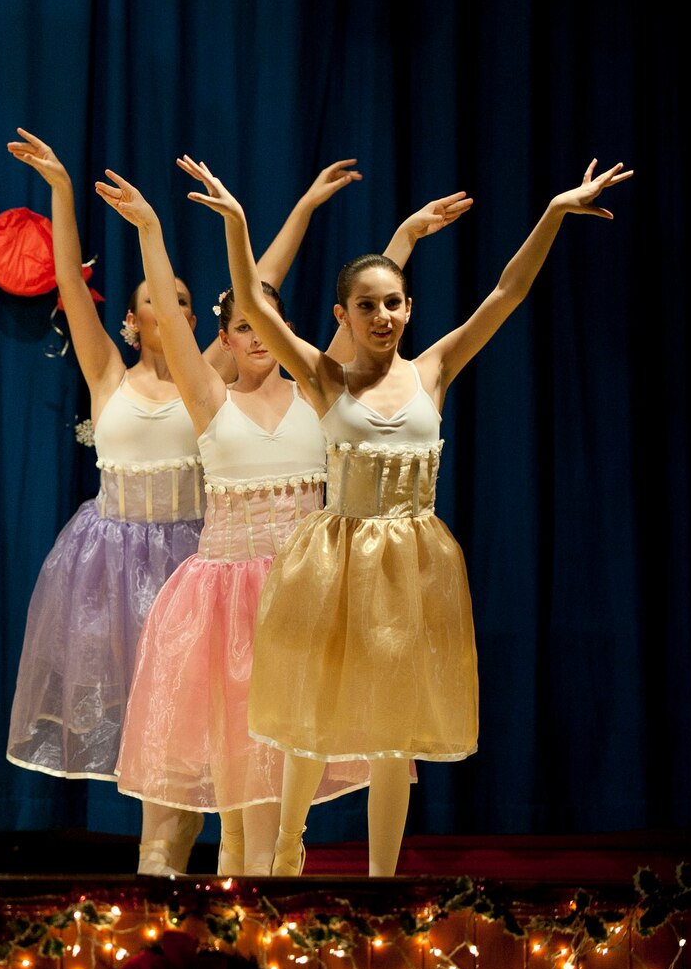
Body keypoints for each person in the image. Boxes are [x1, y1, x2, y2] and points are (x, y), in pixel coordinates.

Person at [183, 153, 631, 874]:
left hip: (412, 565)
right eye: (367, 305)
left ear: (409, 308)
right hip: (334, 559)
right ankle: (289, 851)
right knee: (314, 718)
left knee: (393, 733)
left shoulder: (434, 370)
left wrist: (552, 210)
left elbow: (507, 293)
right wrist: (238, 224)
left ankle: (381, 885)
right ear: (343, 315)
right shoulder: (325, 379)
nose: (383, 315)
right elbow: (257, 305)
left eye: (393, 302)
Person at [1, 128, 361, 875]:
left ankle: (232, 868)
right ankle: (162, 881)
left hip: (192, 556)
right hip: (111, 567)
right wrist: (63, 191)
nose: (176, 313)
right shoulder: (106, 370)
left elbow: (259, 286)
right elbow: (70, 284)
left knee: (224, 755)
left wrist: (301, 209)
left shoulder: (211, 377)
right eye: (160, 305)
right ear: (133, 321)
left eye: (191, 305)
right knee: (160, 767)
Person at [97, 166, 468, 873]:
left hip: (310, 596)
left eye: (266, 321)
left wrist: (408, 237)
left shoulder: (318, 387)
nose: (257, 335)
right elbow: (171, 323)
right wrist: (149, 230)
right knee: (240, 818)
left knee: (283, 802)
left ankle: (279, 919)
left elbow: (373, 312)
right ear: (229, 337)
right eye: (241, 325)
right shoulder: (208, 397)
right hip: (229, 607)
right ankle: (242, 934)